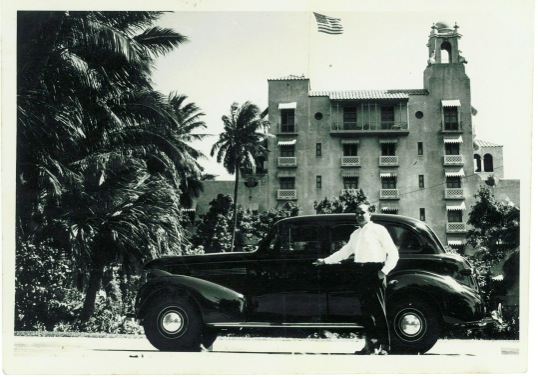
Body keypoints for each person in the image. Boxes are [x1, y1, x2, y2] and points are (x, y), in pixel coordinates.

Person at [313, 202, 399, 355]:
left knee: (379, 311)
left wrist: (384, 271)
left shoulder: (379, 230)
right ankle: (370, 347)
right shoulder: (355, 234)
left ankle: (386, 346)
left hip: (375, 271)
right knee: (365, 312)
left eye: (363, 212)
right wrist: (325, 260)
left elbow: (393, 253)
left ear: (370, 213)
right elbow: (344, 252)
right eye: (357, 213)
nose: (360, 215)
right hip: (360, 272)